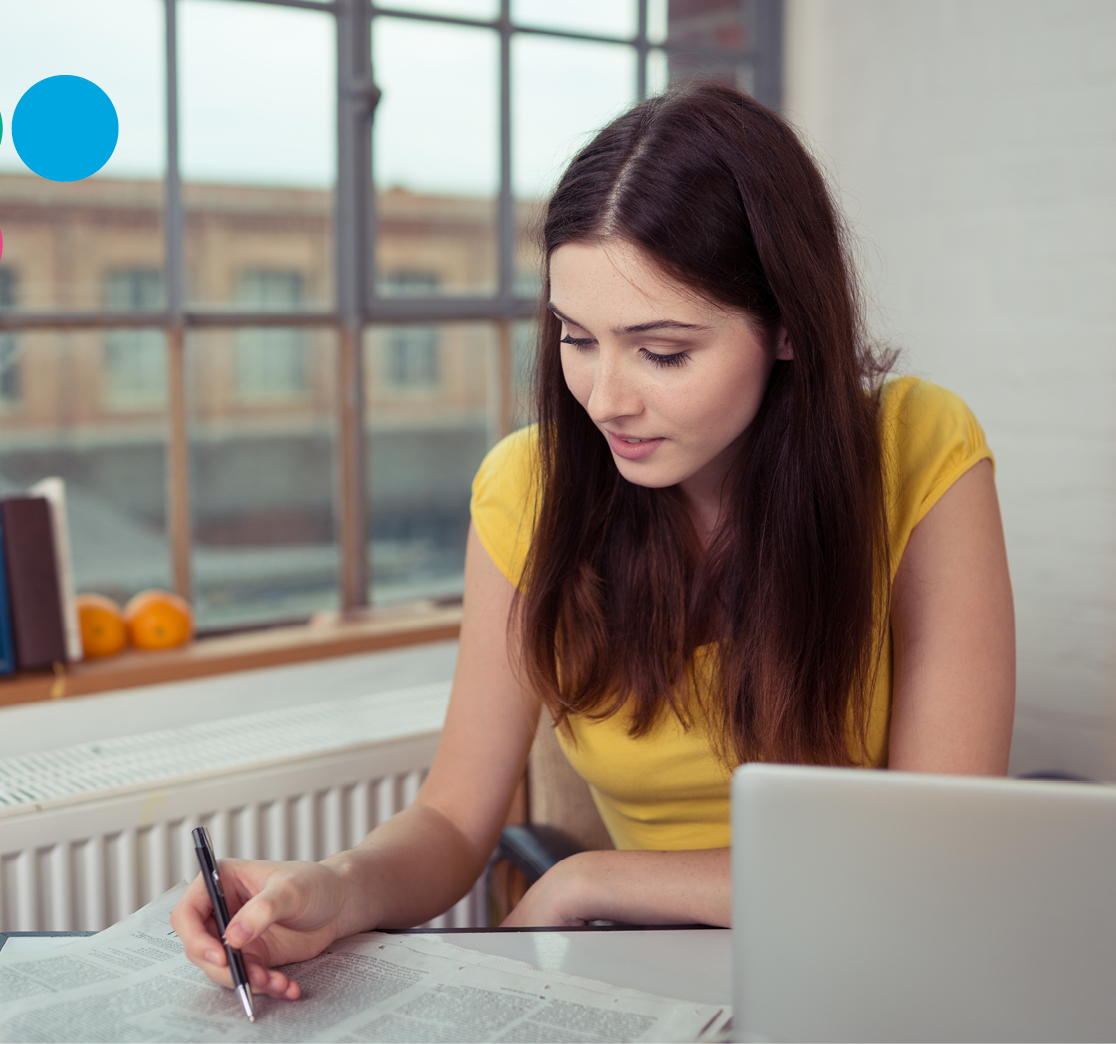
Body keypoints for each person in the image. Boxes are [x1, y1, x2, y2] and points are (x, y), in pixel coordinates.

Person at [171, 82, 1015, 1001]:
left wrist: (592, 878)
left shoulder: (917, 450)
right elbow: (454, 819)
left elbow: (937, 849)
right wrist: (333, 889)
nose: (606, 398)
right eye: (577, 338)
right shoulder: (526, 489)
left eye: (662, 353)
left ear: (785, 328)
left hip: (877, 966)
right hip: (658, 982)